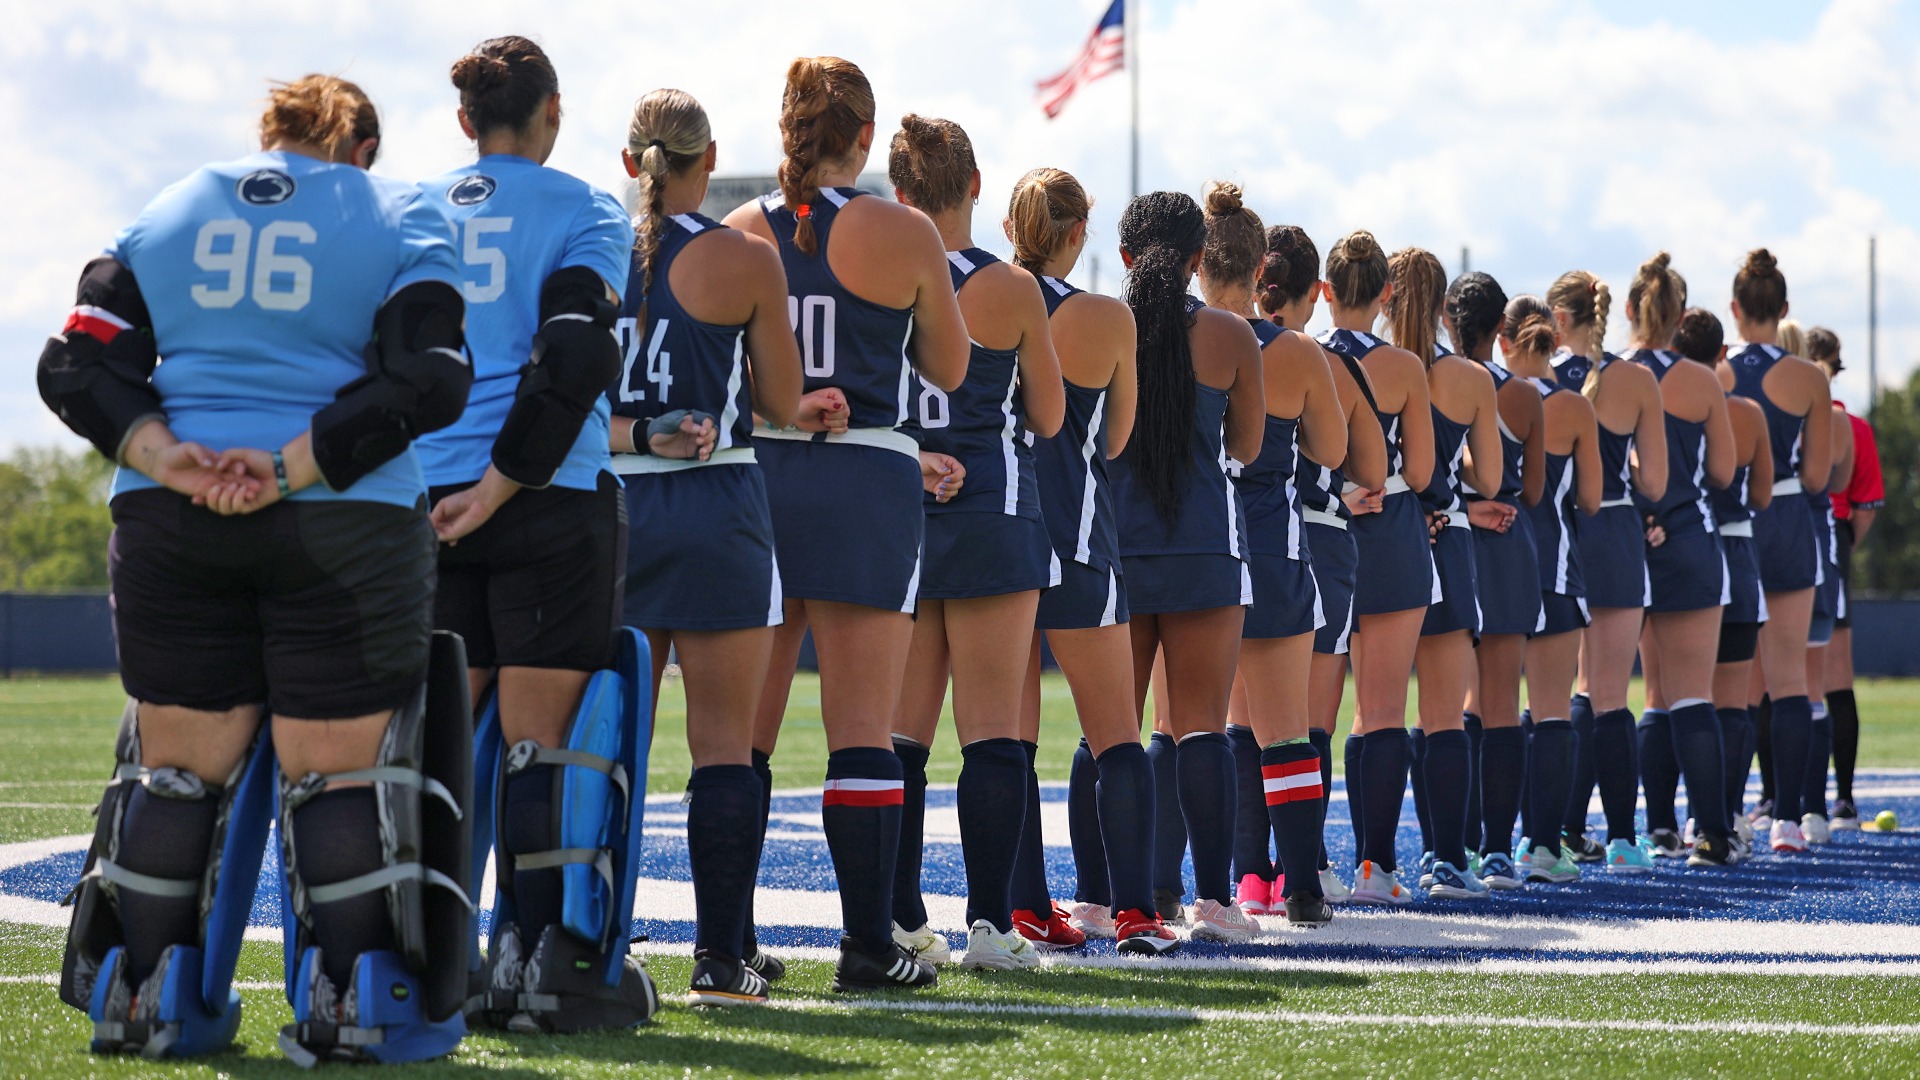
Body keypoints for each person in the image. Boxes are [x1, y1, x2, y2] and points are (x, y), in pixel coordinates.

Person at [46, 76, 476, 1063]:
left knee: (176, 772)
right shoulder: (399, 208)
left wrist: (173, 459)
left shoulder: (171, 207)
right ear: (361, 147)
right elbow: (433, 376)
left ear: (265, 135)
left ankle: (144, 997)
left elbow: (76, 369)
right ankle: (352, 1000)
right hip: (342, 521)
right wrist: (291, 467)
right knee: (337, 776)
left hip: (171, 518)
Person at [415, 37, 652, 1033]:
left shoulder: (409, 212)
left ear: (466, 119)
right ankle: (534, 960)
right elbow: (571, 359)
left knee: (434, 746)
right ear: (552, 113)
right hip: (545, 495)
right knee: (539, 748)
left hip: (422, 499)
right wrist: (505, 487)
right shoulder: (588, 210)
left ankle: (428, 961)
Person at [724, 57, 970, 992]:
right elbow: (949, 370)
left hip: (761, 476)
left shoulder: (742, 230)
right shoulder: (904, 231)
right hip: (867, 477)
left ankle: (732, 938)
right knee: (860, 729)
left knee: (739, 734)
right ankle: (868, 944)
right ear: (865, 136)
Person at [610, 89, 804, 1005]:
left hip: (611, 514)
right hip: (719, 503)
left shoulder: (586, 248)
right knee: (724, 746)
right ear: (709, 158)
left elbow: (559, 405)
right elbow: (780, 397)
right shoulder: (743, 256)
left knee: (608, 747)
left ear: (629, 160)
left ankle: (594, 941)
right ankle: (722, 963)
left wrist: (640, 435)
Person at [881, 115, 1065, 971]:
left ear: (901, 192)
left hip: (901, 514)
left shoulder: (877, 275)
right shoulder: (1012, 287)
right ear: (977, 185)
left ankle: (899, 916)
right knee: (992, 732)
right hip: (993, 506)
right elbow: (1051, 416)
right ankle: (990, 925)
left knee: (899, 739)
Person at [1002, 167, 1178, 955]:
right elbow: (1114, 439)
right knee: (1116, 735)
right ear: (1078, 235)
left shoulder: (977, 299)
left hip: (999, 538)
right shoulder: (1107, 316)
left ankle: (1027, 906)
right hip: (1076, 540)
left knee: (1005, 740)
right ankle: (1137, 912)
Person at [1109, 190, 1265, 942]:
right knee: (1202, 729)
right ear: (1201, 260)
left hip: (1119, 548)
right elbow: (1247, 447)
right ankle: (1212, 903)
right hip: (1204, 543)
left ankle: (1113, 898)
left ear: (1125, 257)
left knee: (1114, 731)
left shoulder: (1097, 325)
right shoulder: (1235, 336)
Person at [1197, 184, 1346, 927]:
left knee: (1198, 730)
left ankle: (1201, 888)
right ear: (1263, 273)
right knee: (1286, 731)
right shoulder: (1295, 351)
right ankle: (1304, 889)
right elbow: (1336, 450)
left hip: (1196, 545)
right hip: (1273, 543)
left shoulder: (1172, 336)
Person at [1262, 225, 1387, 904]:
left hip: (1223, 536)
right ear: (1315, 292)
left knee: (1219, 722)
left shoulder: (1210, 339)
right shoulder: (1323, 360)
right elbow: (1364, 462)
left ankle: (1245, 875)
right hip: (1312, 537)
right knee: (1309, 720)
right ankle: (1302, 872)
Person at [1318, 231, 1434, 906]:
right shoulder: (1405, 368)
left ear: (1325, 292)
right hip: (1390, 531)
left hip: (1322, 531)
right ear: (1385, 293)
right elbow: (1418, 471)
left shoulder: (1304, 355)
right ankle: (1374, 865)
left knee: (1311, 716)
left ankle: (1299, 864)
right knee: (1383, 710)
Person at [1388, 248, 1502, 901]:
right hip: (1450, 543)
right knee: (1444, 718)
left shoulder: (1360, 365)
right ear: (1441, 308)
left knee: (1372, 715)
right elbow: (1487, 478)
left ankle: (1371, 863)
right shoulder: (1468, 378)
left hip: (1381, 542)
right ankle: (1448, 860)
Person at [1546, 269, 1668, 872]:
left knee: (1565, 692)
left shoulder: (1538, 379)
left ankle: (1560, 831)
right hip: (1616, 531)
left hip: (1561, 536)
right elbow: (1656, 483)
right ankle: (1622, 838)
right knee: (1612, 696)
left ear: (1558, 320)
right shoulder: (1638, 380)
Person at [1621, 255, 1737, 868]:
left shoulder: (1610, 376)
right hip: (1692, 538)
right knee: (1694, 695)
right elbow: (1722, 471)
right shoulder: (1701, 380)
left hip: (1633, 543)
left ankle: (1660, 829)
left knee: (1656, 694)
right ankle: (1713, 834)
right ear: (1680, 314)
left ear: (1631, 311)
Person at [1717, 250, 1832, 853]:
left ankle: (1729, 816)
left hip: (1735, 527)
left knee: (1736, 687)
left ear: (1735, 309)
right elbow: (1817, 480)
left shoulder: (1716, 373)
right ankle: (1788, 820)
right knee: (1791, 681)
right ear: (1783, 310)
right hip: (1787, 521)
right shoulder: (1811, 378)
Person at [1445, 271, 1543, 890]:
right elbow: (1530, 490)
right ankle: (1499, 853)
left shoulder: (1436, 380)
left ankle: (1446, 850)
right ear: (1501, 328)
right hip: (1506, 545)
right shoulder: (1525, 394)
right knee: (1502, 702)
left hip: (1449, 542)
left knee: (1445, 707)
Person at [1505, 296, 1602, 884]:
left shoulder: (1487, 392)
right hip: (1556, 571)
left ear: (1504, 339)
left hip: (1492, 569)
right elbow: (1589, 500)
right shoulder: (1571, 407)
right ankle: (1542, 847)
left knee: (1481, 712)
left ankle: (1474, 847)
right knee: (1550, 713)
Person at [1682, 308, 1771, 859]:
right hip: (1732, 548)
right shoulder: (1743, 411)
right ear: (1721, 353)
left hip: (1674, 547)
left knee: (1671, 700)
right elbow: (1760, 496)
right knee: (1730, 702)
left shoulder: (1657, 394)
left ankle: (1673, 824)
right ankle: (1725, 819)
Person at [1807, 327, 1884, 830]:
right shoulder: (1842, 424)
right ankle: (1819, 799)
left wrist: (1840, 543)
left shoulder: (1845, 424)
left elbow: (1864, 505)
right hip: (1818, 536)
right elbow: (1865, 506)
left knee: (1816, 676)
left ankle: (1831, 798)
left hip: (1811, 537)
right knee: (1809, 677)